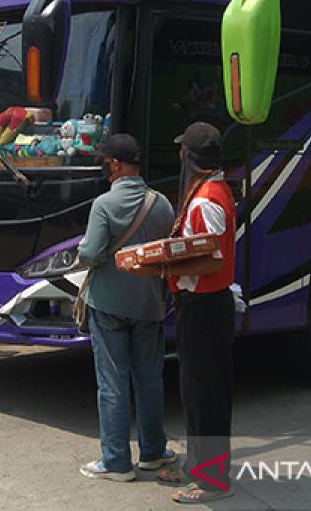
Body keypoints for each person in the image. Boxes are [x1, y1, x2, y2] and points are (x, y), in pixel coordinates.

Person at [140, 121, 237, 505]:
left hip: (204, 307)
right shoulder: (212, 191)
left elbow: (211, 258)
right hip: (204, 306)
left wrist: (167, 268)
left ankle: (212, 481)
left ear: (191, 158)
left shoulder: (207, 199)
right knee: (199, 392)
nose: (179, 156)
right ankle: (200, 467)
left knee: (205, 396)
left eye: (184, 151)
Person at [76, 133, 177, 482]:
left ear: (116, 165)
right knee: (149, 378)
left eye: (105, 162)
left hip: (108, 304)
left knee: (112, 381)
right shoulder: (162, 203)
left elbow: (88, 254)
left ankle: (117, 462)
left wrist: (94, 250)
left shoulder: (104, 205)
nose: (104, 169)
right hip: (149, 303)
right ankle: (152, 451)